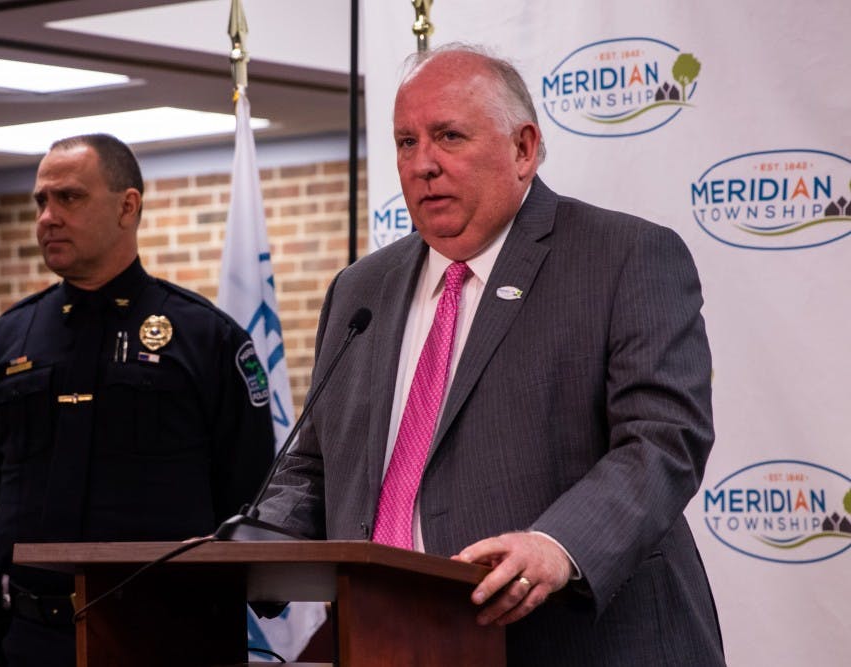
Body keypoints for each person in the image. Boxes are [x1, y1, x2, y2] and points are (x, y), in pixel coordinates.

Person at [256, 44, 725, 665]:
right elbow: (316, 463)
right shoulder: (359, 290)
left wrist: (558, 545)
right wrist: (257, 542)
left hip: (579, 642)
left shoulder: (623, 256)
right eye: (405, 142)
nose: (423, 163)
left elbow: (663, 440)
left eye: (448, 136)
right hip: (391, 638)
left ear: (523, 148)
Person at [0, 134, 275, 666]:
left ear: (128, 206)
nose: (48, 217)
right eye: (41, 200)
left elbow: (246, 491)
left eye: (70, 198)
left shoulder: (205, 339)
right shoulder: (2, 342)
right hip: (37, 635)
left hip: (169, 632)